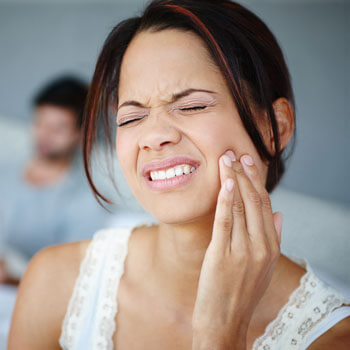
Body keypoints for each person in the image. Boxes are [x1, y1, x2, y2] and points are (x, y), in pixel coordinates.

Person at [8, 1, 350, 349]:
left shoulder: (334, 338)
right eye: (131, 118)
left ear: (274, 128)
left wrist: (221, 333)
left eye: (192, 106)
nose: (154, 136)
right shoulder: (55, 281)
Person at [0, 76, 111, 285]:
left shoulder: (83, 200)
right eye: (40, 122)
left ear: (79, 134)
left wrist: (11, 279)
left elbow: (71, 277)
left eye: (58, 129)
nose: (44, 135)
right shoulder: (4, 174)